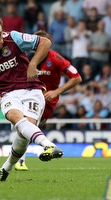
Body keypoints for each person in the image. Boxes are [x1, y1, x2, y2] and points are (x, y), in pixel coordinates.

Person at [0, 17, 63, 182]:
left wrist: (33, 64)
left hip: (32, 90)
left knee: (24, 132)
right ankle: (48, 146)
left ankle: (6, 168)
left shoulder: (14, 38)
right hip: (7, 94)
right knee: (17, 118)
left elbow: (45, 42)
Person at [15, 30, 82, 171]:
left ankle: (26, 153)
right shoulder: (26, 57)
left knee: (31, 127)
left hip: (48, 101)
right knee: (27, 124)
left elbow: (77, 78)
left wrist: (56, 92)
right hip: (29, 95)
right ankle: (20, 160)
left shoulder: (57, 59)